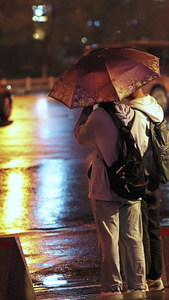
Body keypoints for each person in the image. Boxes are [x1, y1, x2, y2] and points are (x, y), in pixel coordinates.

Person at [74, 101, 147, 295]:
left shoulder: (97, 118)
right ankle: (138, 286)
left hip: (105, 187)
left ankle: (112, 288)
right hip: (132, 186)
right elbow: (143, 146)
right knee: (134, 239)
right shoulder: (137, 116)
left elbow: (79, 136)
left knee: (109, 241)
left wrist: (86, 111)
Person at [125, 88, 164, 291]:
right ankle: (157, 277)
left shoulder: (135, 113)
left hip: (142, 179)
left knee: (141, 229)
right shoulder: (154, 107)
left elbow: (138, 147)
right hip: (155, 176)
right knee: (154, 227)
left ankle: (147, 277)